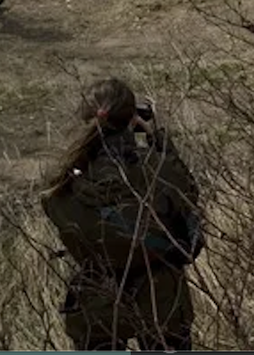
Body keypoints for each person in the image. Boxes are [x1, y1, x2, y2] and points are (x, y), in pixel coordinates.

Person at [41, 79, 204, 353]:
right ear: (132, 119)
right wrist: (157, 138)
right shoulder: (156, 169)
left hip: (96, 302)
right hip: (162, 299)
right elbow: (189, 220)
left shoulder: (61, 185)